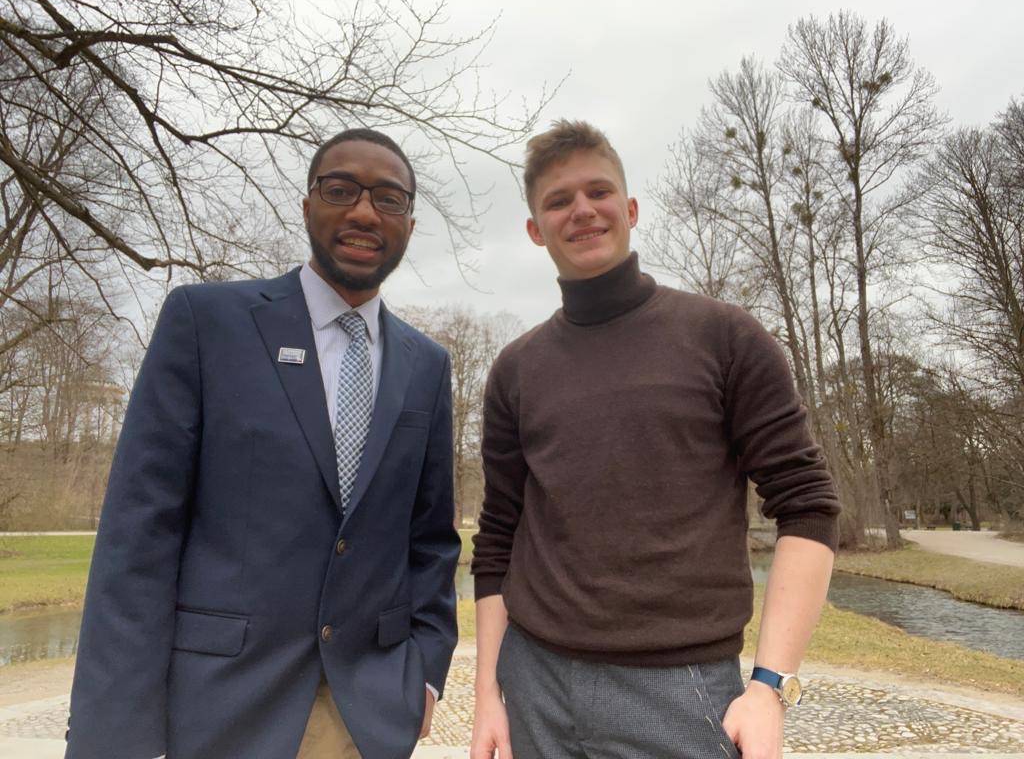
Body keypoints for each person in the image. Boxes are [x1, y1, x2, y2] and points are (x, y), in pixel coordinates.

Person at [66, 128, 460, 759]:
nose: (364, 211)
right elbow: (138, 538)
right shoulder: (205, 322)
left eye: (388, 199)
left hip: (367, 716)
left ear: (409, 223)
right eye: (341, 190)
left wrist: (426, 673)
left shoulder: (426, 364)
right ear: (308, 206)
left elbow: (431, 540)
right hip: (221, 710)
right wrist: (113, 738)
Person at [470, 120, 840, 759]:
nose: (582, 210)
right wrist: (487, 696)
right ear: (535, 229)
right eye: (558, 201)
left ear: (631, 209)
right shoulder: (516, 368)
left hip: (680, 691)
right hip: (535, 684)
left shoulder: (724, 336)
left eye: (598, 191)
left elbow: (808, 506)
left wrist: (771, 687)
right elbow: (499, 537)